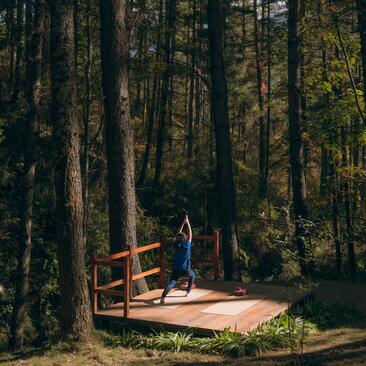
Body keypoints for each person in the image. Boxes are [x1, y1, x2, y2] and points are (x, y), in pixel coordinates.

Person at [160, 215, 195, 303]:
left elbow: (178, 234)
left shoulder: (175, 245)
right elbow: (191, 234)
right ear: (185, 239)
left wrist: (183, 223)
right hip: (185, 269)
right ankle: (188, 291)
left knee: (172, 283)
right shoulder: (186, 246)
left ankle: (163, 296)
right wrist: (188, 223)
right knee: (192, 276)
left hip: (176, 268)